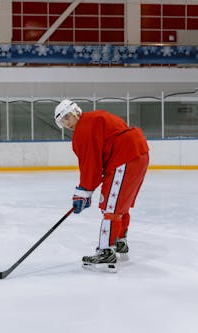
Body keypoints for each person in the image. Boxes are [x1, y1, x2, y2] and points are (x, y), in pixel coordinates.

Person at [54, 99, 149, 271]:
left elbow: (90, 165)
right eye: (62, 121)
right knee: (121, 203)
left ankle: (106, 251)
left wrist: (83, 192)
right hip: (138, 153)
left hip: (125, 156)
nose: (66, 123)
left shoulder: (84, 129)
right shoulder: (93, 118)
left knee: (110, 207)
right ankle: (120, 241)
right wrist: (86, 191)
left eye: (67, 117)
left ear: (76, 112)